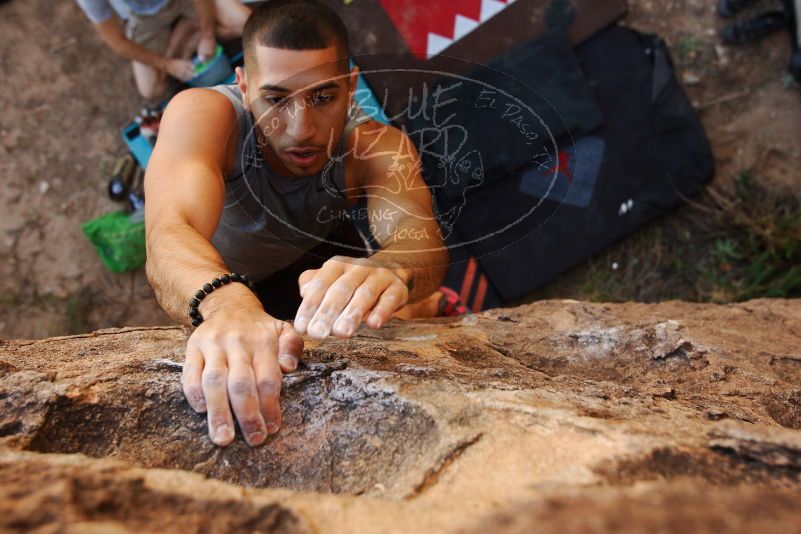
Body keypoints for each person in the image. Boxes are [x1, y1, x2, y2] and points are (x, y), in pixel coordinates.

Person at [143, 0, 459, 448]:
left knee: (387, 311)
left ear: (351, 87)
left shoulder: (376, 147)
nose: (301, 129)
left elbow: (417, 236)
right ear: (243, 85)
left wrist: (395, 270)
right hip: (225, 277)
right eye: (275, 99)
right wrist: (227, 306)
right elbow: (169, 231)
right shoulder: (204, 116)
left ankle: (424, 306)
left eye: (323, 97)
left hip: (325, 258)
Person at [75, 0, 251, 100]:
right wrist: (167, 65)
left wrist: (208, 35)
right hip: (144, 18)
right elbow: (117, 42)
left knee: (246, 23)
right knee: (151, 89)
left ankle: (192, 30)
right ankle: (187, 32)